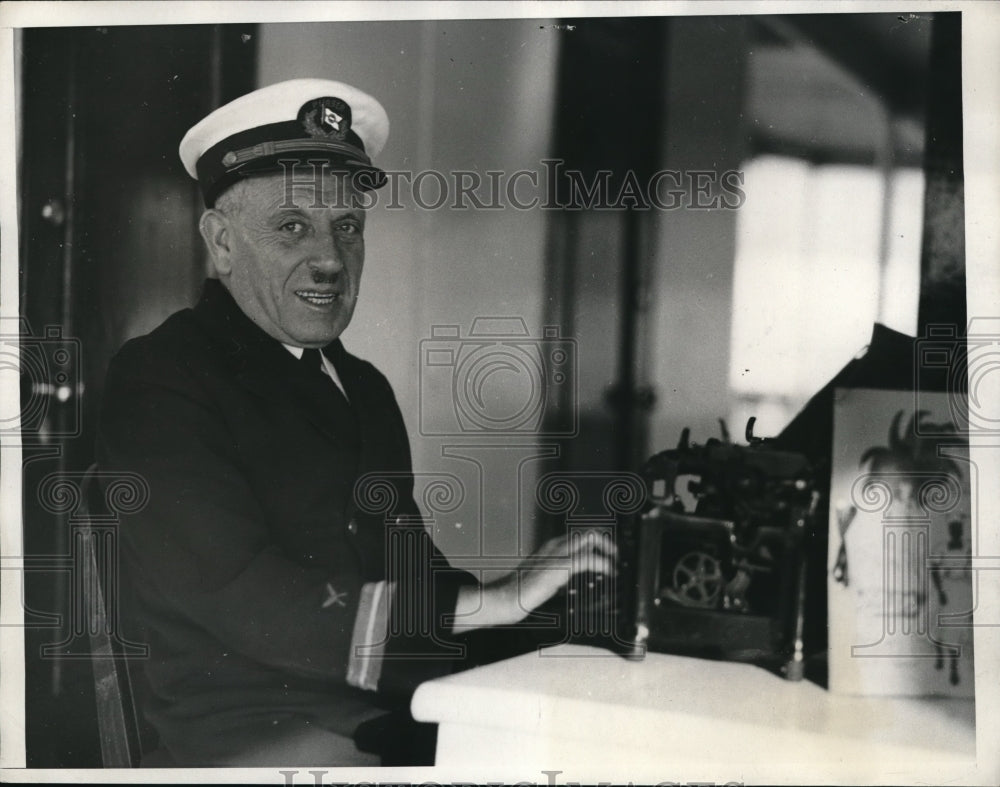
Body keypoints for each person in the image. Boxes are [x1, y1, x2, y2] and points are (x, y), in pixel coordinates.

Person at [96, 78, 615, 767]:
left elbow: (412, 572)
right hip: (244, 728)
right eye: (292, 228)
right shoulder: (162, 377)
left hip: (378, 697)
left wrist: (540, 612)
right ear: (221, 243)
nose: (330, 260)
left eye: (347, 227)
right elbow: (243, 595)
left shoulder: (361, 386)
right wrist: (491, 605)